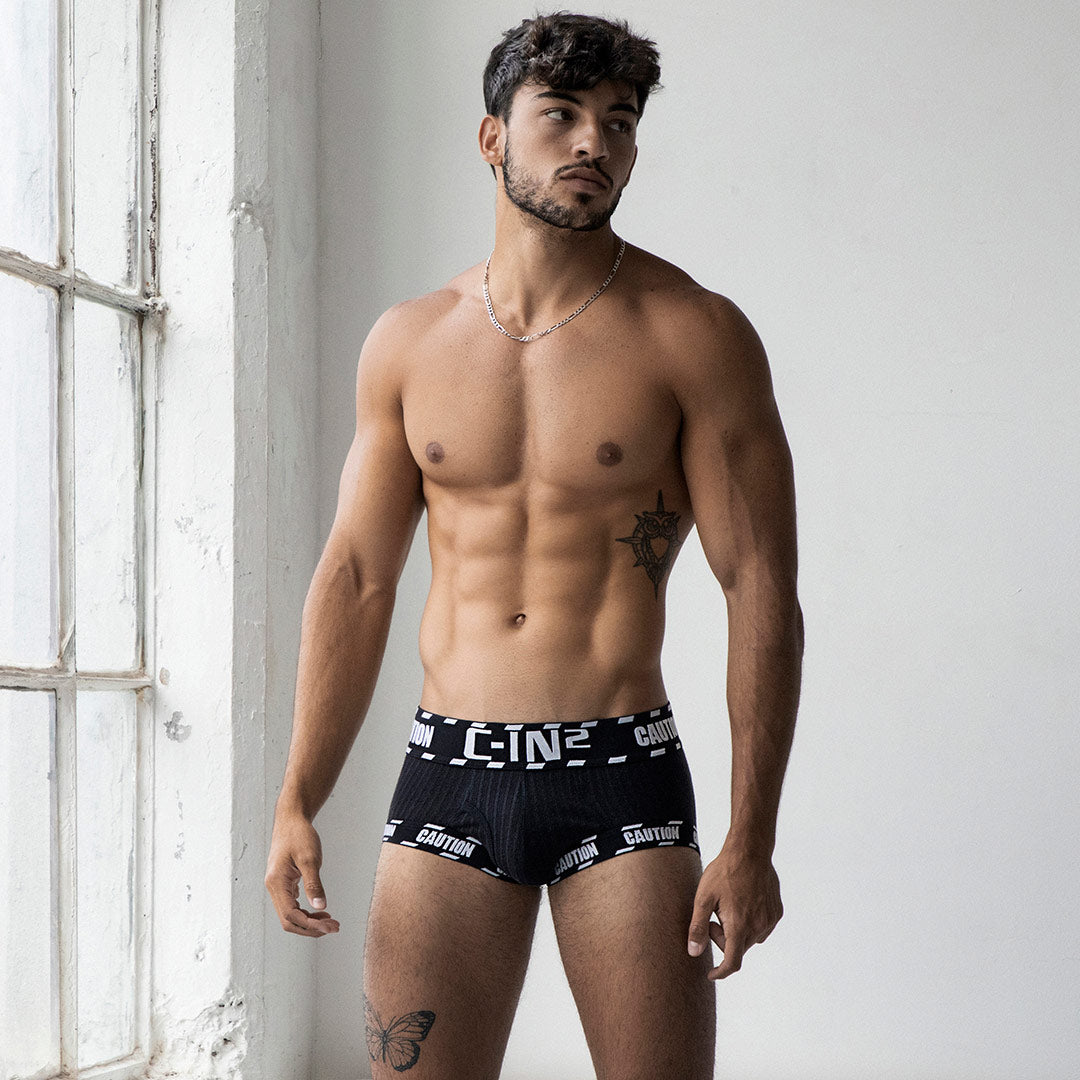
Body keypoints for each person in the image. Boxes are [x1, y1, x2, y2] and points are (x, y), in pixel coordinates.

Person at [265, 12, 803, 1079]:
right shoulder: (409, 342)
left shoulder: (693, 334)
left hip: (622, 777)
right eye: (560, 114)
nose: (593, 141)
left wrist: (753, 837)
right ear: (492, 137)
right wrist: (297, 797)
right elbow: (358, 578)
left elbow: (760, 589)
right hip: (450, 775)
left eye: (619, 121)